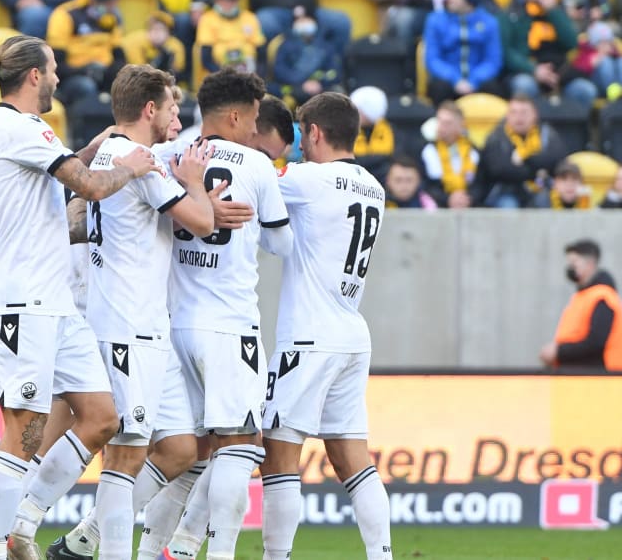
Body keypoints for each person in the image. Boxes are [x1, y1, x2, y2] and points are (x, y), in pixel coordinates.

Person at [0, 35, 158, 560]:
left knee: (101, 417)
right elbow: (92, 187)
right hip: (21, 302)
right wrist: (133, 167)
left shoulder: (24, 133)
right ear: (34, 76)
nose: (57, 78)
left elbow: (65, 175)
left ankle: (22, 524)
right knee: (24, 431)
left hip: (54, 303)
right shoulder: (21, 127)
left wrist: (98, 145)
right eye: (52, 70)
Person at [62, 64, 216, 560]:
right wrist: (193, 183)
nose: (177, 114)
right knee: (124, 456)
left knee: (178, 447)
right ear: (150, 109)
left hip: (148, 324)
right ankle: (22, 520)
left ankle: (79, 538)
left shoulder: (111, 154)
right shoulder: (139, 158)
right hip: (127, 323)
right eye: (172, 106)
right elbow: (201, 221)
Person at [158, 69, 296, 560]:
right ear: (236, 116)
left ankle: (165, 548)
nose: (256, 129)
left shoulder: (171, 155)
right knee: (241, 446)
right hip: (229, 323)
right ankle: (209, 552)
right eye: (255, 118)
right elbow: (282, 244)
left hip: (173, 324)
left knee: (191, 454)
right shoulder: (257, 166)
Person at [262, 92, 392, 560]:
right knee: (353, 462)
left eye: (300, 132)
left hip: (308, 336)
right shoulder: (374, 187)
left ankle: (276, 557)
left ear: (314, 133)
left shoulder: (308, 179)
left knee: (278, 455)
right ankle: (382, 554)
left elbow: (254, 177)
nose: (296, 144)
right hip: (352, 335)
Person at [471, 93, 568, 208]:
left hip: (541, 189)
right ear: (507, 115)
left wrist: (524, 158)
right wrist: (536, 171)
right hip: (505, 192)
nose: (519, 117)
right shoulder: (496, 137)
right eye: (514, 112)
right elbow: (499, 170)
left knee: (544, 200)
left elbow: (555, 159)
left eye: (524, 112)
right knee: (508, 204)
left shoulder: (547, 134)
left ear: (535, 115)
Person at [540, 239, 622, 371]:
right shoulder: (583, 297)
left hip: (598, 380)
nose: (570, 268)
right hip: (580, 378)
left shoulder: (602, 297)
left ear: (589, 264)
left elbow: (596, 343)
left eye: (574, 263)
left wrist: (559, 352)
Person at [46, 0, 126, 107]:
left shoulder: (112, 17)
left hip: (104, 72)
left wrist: (111, 72)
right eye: (110, 3)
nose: (113, 7)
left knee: (124, 82)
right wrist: (85, 70)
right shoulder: (66, 14)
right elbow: (56, 64)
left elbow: (119, 56)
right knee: (86, 86)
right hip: (73, 76)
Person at [423, 0, 503, 106]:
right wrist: (455, 79)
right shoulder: (435, 20)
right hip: (448, 79)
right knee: (439, 87)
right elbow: (432, 59)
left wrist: (474, 80)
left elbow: (493, 61)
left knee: (491, 87)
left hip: (477, 79)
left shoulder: (489, 22)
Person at [420, 101, 477, 208]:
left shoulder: (473, 152)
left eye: (447, 123)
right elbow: (425, 185)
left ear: (460, 125)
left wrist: (467, 199)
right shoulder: (427, 151)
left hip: (470, 206)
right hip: (437, 206)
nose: (441, 127)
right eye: (439, 121)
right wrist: (448, 199)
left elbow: (480, 184)